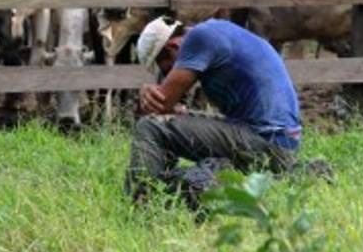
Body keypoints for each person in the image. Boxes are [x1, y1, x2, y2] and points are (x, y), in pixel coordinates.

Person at [125, 16, 302, 202]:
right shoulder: (220, 31)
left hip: (266, 143)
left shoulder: (199, 39)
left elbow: (160, 105)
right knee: (172, 119)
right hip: (280, 144)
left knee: (150, 126)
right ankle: (172, 185)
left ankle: (143, 201)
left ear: (173, 47)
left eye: (167, 70)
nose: (168, 76)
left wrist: (147, 92)